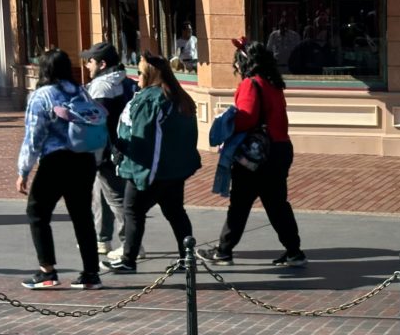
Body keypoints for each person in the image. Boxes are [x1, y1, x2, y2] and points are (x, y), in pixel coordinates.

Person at [197, 41, 305, 267]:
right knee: (277, 204)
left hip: (257, 153)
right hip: (280, 148)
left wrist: (227, 121)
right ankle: (294, 251)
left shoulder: (251, 84)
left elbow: (246, 118)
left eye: (237, 62)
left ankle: (224, 251)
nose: (236, 66)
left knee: (240, 203)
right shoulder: (273, 84)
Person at [100, 52, 201, 274]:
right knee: (176, 213)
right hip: (173, 170)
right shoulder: (179, 97)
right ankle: (187, 259)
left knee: (133, 212)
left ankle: (128, 261)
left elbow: (143, 138)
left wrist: (134, 166)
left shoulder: (152, 100)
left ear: (150, 74)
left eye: (139, 72)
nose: (137, 77)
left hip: (149, 169)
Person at [16, 48, 104, 290]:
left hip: (56, 160)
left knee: (37, 212)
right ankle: (91, 273)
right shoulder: (81, 91)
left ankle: (47, 271)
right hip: (84, 158)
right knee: (82, 215)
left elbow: (34, 137)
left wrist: (23, 170)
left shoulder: (42, 96)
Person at [81, 41, 139, 258]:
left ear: (102, 64)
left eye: (90, 61)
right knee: (101, 193)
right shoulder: (127, 82)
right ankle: (102, 239)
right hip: (122, 147)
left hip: (107, 150)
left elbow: (96, 122)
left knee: (116, 198)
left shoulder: (101, 87)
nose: (87, 65)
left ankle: (130, 244)